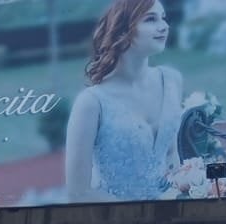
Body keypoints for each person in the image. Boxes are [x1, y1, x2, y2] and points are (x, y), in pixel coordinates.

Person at [64, 0, 185, 202]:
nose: (164, 26)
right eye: (150, 19)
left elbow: (171, 155)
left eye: (163, 18)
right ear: (122, 30)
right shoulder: (92, 103)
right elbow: (78, 193)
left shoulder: (172, 80)